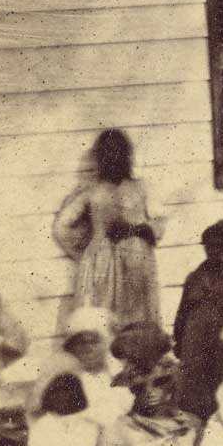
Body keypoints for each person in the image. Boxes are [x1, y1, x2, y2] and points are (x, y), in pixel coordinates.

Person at [53, 129, 163, 335]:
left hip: (137, 264)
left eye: (118, 153)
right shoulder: (92, 191)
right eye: (108, 153)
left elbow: (159, 221)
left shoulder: (140, 188)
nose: (114, 158)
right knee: (103, 320)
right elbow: (62, 227)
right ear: (102, 158)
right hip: (102, 266)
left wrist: (142, 230)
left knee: (137, 321)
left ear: (126, 156)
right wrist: (84, 253)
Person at [174, 222, 223, 417]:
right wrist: (178, 341)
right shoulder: (193, 278)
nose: (214, 251)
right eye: (210, 246)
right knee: (193, 390)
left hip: (222, 342)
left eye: (219, 246)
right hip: (195, 342)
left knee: (221, 386)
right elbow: (182, 312)